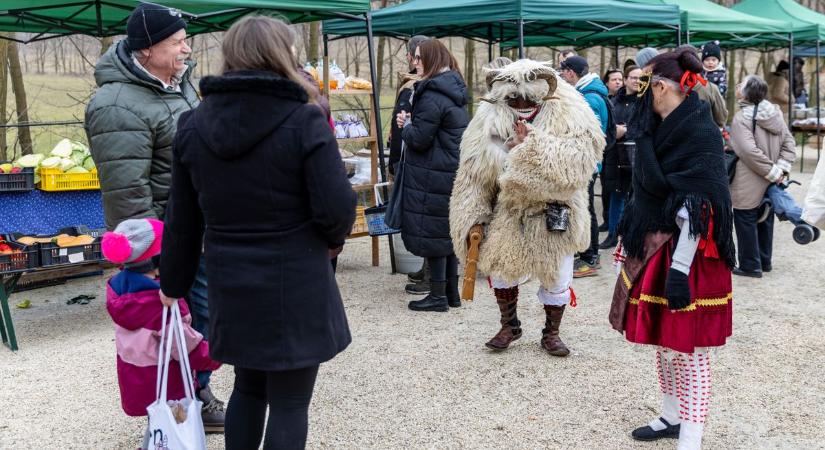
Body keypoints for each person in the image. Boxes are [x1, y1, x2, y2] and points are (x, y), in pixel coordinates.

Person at [157, 16, 356, 449]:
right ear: (282, 56)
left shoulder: (192, 124)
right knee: (290, 401)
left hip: (231, 280)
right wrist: (329, 241)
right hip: (297, 278)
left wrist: (172, 283)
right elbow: (337, 211)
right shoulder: (304, 120)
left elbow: (182, 221)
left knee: (248, 388)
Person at [84, 2, 225, 432]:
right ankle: (186, 401)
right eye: (177, 42)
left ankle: (194, 393)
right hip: (167, 239)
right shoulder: (116, 105)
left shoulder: (178, 85)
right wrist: (148, 259)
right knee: (178, 321)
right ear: (147, 48)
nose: (187, 49)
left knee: (201, 317)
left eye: (186, 40)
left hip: (197, 228)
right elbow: (126, 191)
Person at [609, 48, 735, 450]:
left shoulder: (700, 131)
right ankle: (671, 416)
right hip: (654, 245)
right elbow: (644, 193)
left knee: (689, 350)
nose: (641, 92)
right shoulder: (653, 127)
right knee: (664, 345)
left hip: (690, 256)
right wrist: (627, 246)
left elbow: (700, 207)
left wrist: (680, 270)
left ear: (661, 86)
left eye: (646, 84)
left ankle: (691, 439)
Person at [450, 59, 603, 356]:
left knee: (557, 275)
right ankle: (509, 325)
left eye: (528, 99)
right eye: (513, 99)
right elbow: (473, 175)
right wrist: (472, 216)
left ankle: (552, 333)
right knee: (501, 268)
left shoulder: (571, 112)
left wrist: (530, 146)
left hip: (556, 211)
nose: (521, 104)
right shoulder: (488, 120)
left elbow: (578, 165)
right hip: (510, 210)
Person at [101, 219, 221, 449]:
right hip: (166, 380)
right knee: (172, 427)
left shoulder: (119, 289)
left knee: (156, 421)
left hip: (136, 376)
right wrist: (217, 353)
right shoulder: (161, 305)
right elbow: (185, 347)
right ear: (159, 262)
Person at [395, 39, 469, 312]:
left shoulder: (432, 94)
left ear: (431, 59)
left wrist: (406, 125)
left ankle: (437, 297)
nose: (415, 62)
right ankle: (451, 293)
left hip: (433, 172)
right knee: (446, 233)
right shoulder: (451, 88)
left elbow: (419, 138)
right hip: (447, 168)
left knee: (435, 233)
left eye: (418, 58)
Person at [729, 75, 796, 278]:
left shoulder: (741, 118)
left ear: (746, 94)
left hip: (747, 179)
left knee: (745, 218)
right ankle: (764, 261)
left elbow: (748, 152)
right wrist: (779, 171)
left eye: (740, 84)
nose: (737, 86)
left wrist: (773, 172)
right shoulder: (775, 113)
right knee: (765, 217)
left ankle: (750, 265)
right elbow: (789, 143)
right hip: (771, 178)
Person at [559, 55, 610, 278]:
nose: (562, 75)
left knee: (586, 209)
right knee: (584, 207)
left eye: (563, 71)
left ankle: (590, 257)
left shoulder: (589, 98)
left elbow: (589, 135)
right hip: (585, 164)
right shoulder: (587, 92)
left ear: (571, 72)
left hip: (586, 165)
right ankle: (587, 253)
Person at [389, 34, 430, 295]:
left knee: (425, 219)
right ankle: (426, 268)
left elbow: (403, 128)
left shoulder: (418, 88)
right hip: (414, 158)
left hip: (417, 159)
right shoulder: (413, 86)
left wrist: (395, 161)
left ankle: (431, 273)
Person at [600, 65, 642, 250]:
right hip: (615, 156)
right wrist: (613, 131)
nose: (637, 81)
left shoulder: (647, 101)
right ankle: (613, 234)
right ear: (626, 80)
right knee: (617, 195)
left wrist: (627, 131)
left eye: (640, 78)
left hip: (638, 156)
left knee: (637, 198)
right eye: (633, 77)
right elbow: (605, 126)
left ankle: (632, 236)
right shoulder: (614, 102)